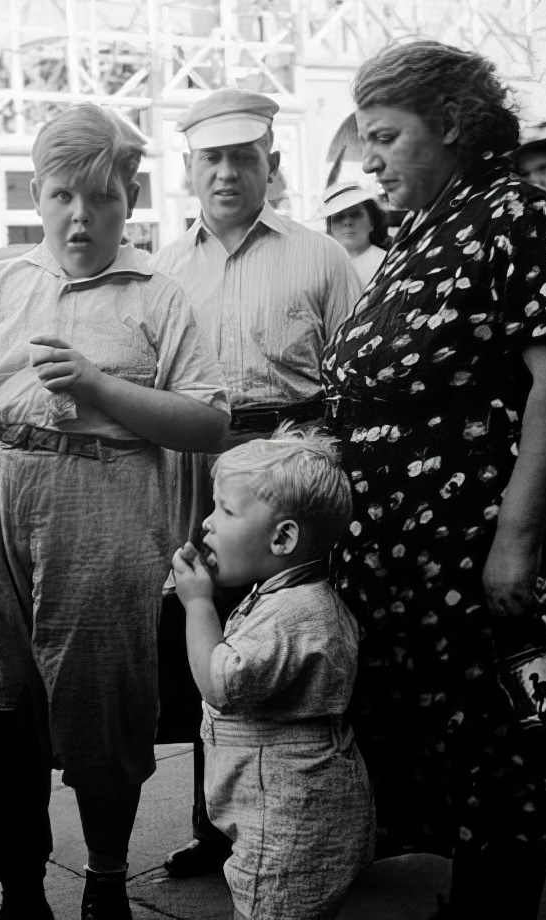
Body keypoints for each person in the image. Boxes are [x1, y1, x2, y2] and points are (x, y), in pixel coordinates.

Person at [0, 103, 230, 920]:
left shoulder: (160, 295)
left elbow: (208, 421)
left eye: (103, 198)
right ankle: (22, 883)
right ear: (37, 196)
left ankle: (109, 880)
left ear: (131, 195)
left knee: (103, 712)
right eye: (60, 197)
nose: (80, 216)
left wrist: (97, 386)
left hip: (106, 509)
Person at [321, 39, 546, 920]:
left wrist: (517, 543)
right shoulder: (430, 227)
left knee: (504, 758)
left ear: (450, 123)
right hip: (413, 562)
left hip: (482, 556)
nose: (368, 159)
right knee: (453, 761)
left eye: (385, 136)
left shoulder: (516, 214)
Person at [151, 88, 363, 879]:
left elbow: (356, 379)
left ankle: (326, 822)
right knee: (208, 645)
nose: (229, 173)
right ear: (190, 169)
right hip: (203, 482)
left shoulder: (320, 256)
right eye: (214, 159)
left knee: (308, 649)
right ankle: (220, 828)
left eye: (245, 157)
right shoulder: (164, 269)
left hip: (296, 479)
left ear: (271, 164)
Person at [171, 430, 373, 919]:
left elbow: (221, 685)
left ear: (282, 537)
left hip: (287, 821)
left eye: (226, 511)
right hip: (284, 808)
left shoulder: (295, 614)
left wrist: (198, 605)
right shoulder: (286, 595)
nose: (207, 522)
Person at [315, 180, 389, 287]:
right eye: (339, 216)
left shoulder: (386, 263)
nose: (347, 222)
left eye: (356, 214)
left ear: (372, 222)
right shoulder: (320, 266)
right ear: (330, 228)